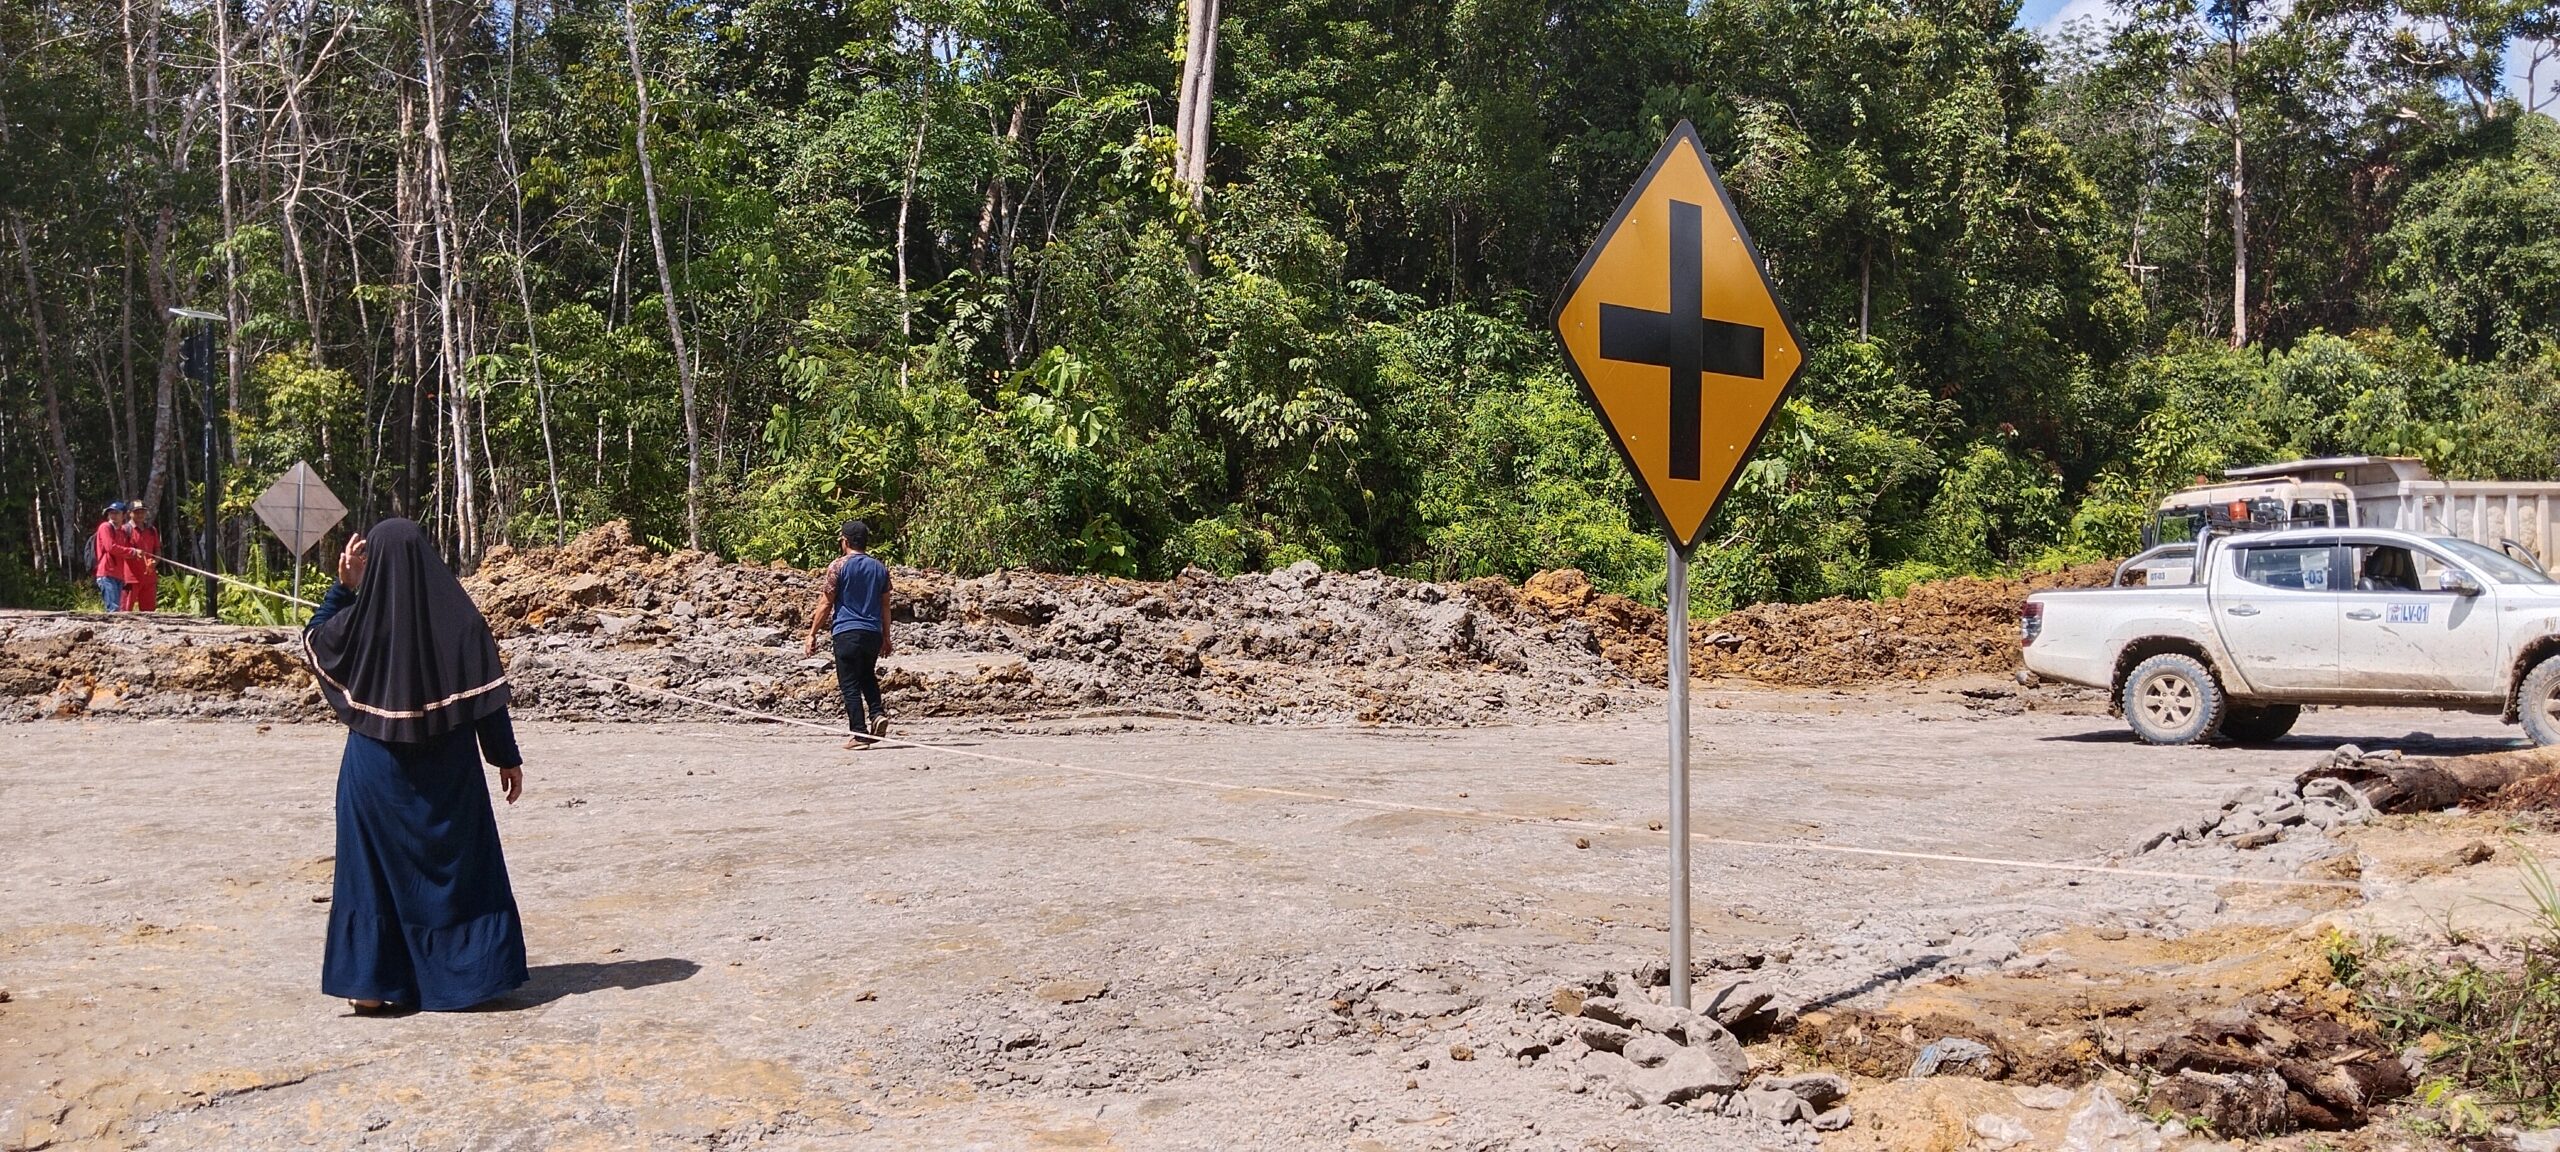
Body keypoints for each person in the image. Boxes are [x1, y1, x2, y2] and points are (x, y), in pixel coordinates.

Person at [303, 518, 529, 1013]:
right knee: (459, 868)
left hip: (373, 773)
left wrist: (344, 590)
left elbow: (316, 638)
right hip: (447, 775)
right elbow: (487, 701)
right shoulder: (462, 621)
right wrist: (505, 757)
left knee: (371, 875)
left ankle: (369, 982)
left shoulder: (360, 623)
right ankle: (468, 976)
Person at [805, 519, 894, 750]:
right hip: (873, 632)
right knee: (867, 675)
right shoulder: (880, 568)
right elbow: (885, 605)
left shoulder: (838, 566)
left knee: (850, 683)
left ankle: (859, 734)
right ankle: (877, 713)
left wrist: (812, 633)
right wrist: (887, 636)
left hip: (847, 631)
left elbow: (826, 602)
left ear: (845, 541)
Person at [91, 502, 132, 612]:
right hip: (106, 573)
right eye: (111, 513)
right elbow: (111, 547)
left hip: (118, 575)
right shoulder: (105, 527)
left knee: (118, 608)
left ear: (124, 515)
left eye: (116, 513)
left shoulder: (123, 532)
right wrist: (132, 552)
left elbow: (125, 550)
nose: (113, 515)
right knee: (113, 608)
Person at [124, 504, 160, 612]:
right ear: (130, 513)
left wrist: (155, 562)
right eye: (136, 512)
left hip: (149, 577)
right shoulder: (125, 530)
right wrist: (134, 553)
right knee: (125, 610)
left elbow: (157, 550)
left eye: (142, 512)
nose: (140, 514)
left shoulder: (151, 530)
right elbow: (119, 551)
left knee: (149, 611)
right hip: (131, 577)